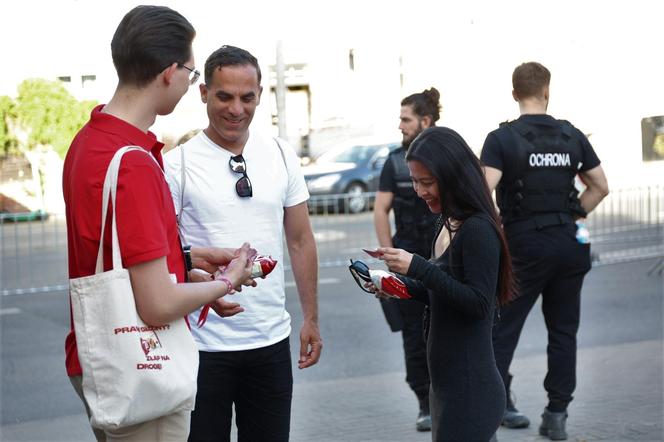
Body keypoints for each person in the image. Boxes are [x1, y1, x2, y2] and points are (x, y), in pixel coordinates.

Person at [63, 7, 256, 441]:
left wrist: (186, 259)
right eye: (191, 73)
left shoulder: (89, 141)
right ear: (170, 72)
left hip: (101, 353)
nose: (189, 85)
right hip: (141, 364)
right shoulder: (134, 163)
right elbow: (157, 304)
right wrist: (229, 280)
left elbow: (113, 254)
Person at [163, 45, 322, 441]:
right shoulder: (175, 165)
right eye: (224, 96)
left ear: (260, 96)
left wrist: (311, 319)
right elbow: (165, 256)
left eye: (247, 97)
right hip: (200, 348)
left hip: (269, 342)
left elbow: (301, 241)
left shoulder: (282, 154)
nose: (236, 109)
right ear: (203, 94)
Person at [481, 61, 609, 440]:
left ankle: (496, 404)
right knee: (564, 330)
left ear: (514, 93)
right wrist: (570, 215)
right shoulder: (571, 136)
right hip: (569, 244)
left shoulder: (501, 140)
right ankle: (557, 413)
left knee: (501, 329)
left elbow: (482, 191)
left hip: (524, 247)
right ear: (547, 91)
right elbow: (600, 186)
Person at [371, 127, 514, 441]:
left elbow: (478, 303)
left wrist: (419, 267)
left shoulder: (477, 229)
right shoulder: (447, 222)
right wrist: (398, 286)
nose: (419, 191)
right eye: (414, 181)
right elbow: (442, 292)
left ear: (452, 177)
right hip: (447, 385)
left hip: (470, 389)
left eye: (427, 182)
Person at [373, 88, 441, 431]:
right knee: (414, 336)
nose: (400, 125)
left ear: (424, 121)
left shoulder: (448, 155)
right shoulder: (394, 161)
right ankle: (424, 402)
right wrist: (388, 256)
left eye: (406, 119)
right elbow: (380, 210)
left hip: (445, 262)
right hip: (408, 262)